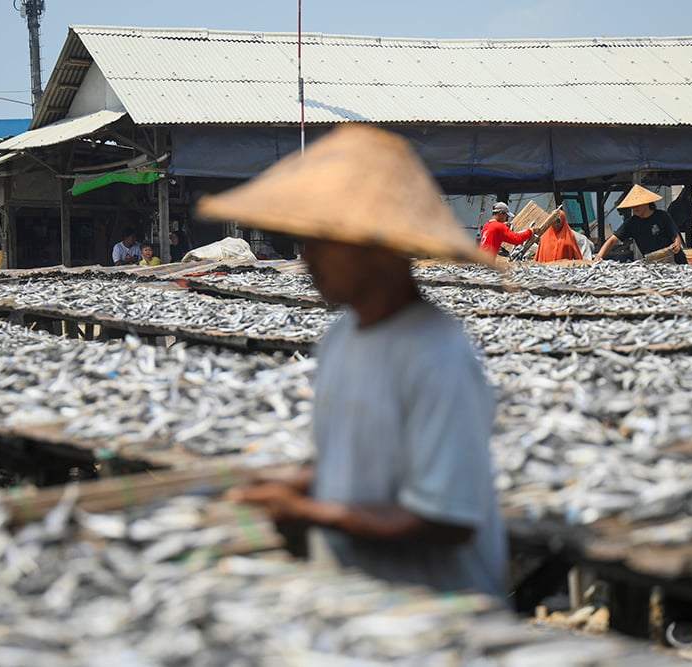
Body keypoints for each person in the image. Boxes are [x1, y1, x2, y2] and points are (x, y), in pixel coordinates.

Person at [197, 124, 507, 599]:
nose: (308, 259)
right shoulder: (344, 335)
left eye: (324, 239)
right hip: (355, 600)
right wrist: (292, 484)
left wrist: (307, 512)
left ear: (379, 245)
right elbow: (356, 463)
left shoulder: (436, 354)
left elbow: (448, 521)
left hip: (437, 618)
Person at [593, 185, 686, 264]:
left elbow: (674, 235)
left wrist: (677, 244)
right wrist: (599, 256)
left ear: (647, 203)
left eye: (638, 205)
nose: (635, 208)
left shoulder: (662, 216)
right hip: (653, 263)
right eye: (633, 206)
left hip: (676, 262)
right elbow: (613, 239)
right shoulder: (632, 223)